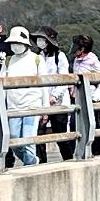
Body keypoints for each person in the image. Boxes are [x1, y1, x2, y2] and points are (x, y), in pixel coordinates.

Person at [0, 24, 47, 165]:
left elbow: (44, 85)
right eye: (13, 43)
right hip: (13, 107)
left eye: (18, 43)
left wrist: (45, 109)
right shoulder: (8, 61)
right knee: (14, 140)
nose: (15, 46)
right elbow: (1, 84)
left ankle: (29, 167)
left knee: (28, 139)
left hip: (32, 106)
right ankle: (33, 162)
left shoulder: (36, 59)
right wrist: (2, 106)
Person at [34, 26, 77, 162]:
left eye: (43, 39)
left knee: (60, 134)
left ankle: (68, 159)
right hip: (42, 101)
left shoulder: (60, 56)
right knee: (39, 135)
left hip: (58, 102)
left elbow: (64, 79)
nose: (40, 42)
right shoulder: (37, 57)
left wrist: (54, 97)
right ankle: (41, 163)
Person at [70, 35, 100, 155]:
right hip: (78, 99)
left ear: (83, 49)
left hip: (92, 98)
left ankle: (97, 153)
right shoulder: (76, 60)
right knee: (73, 125)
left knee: (93, 126)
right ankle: (78, 152)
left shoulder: (92, 60)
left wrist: (99, 92)